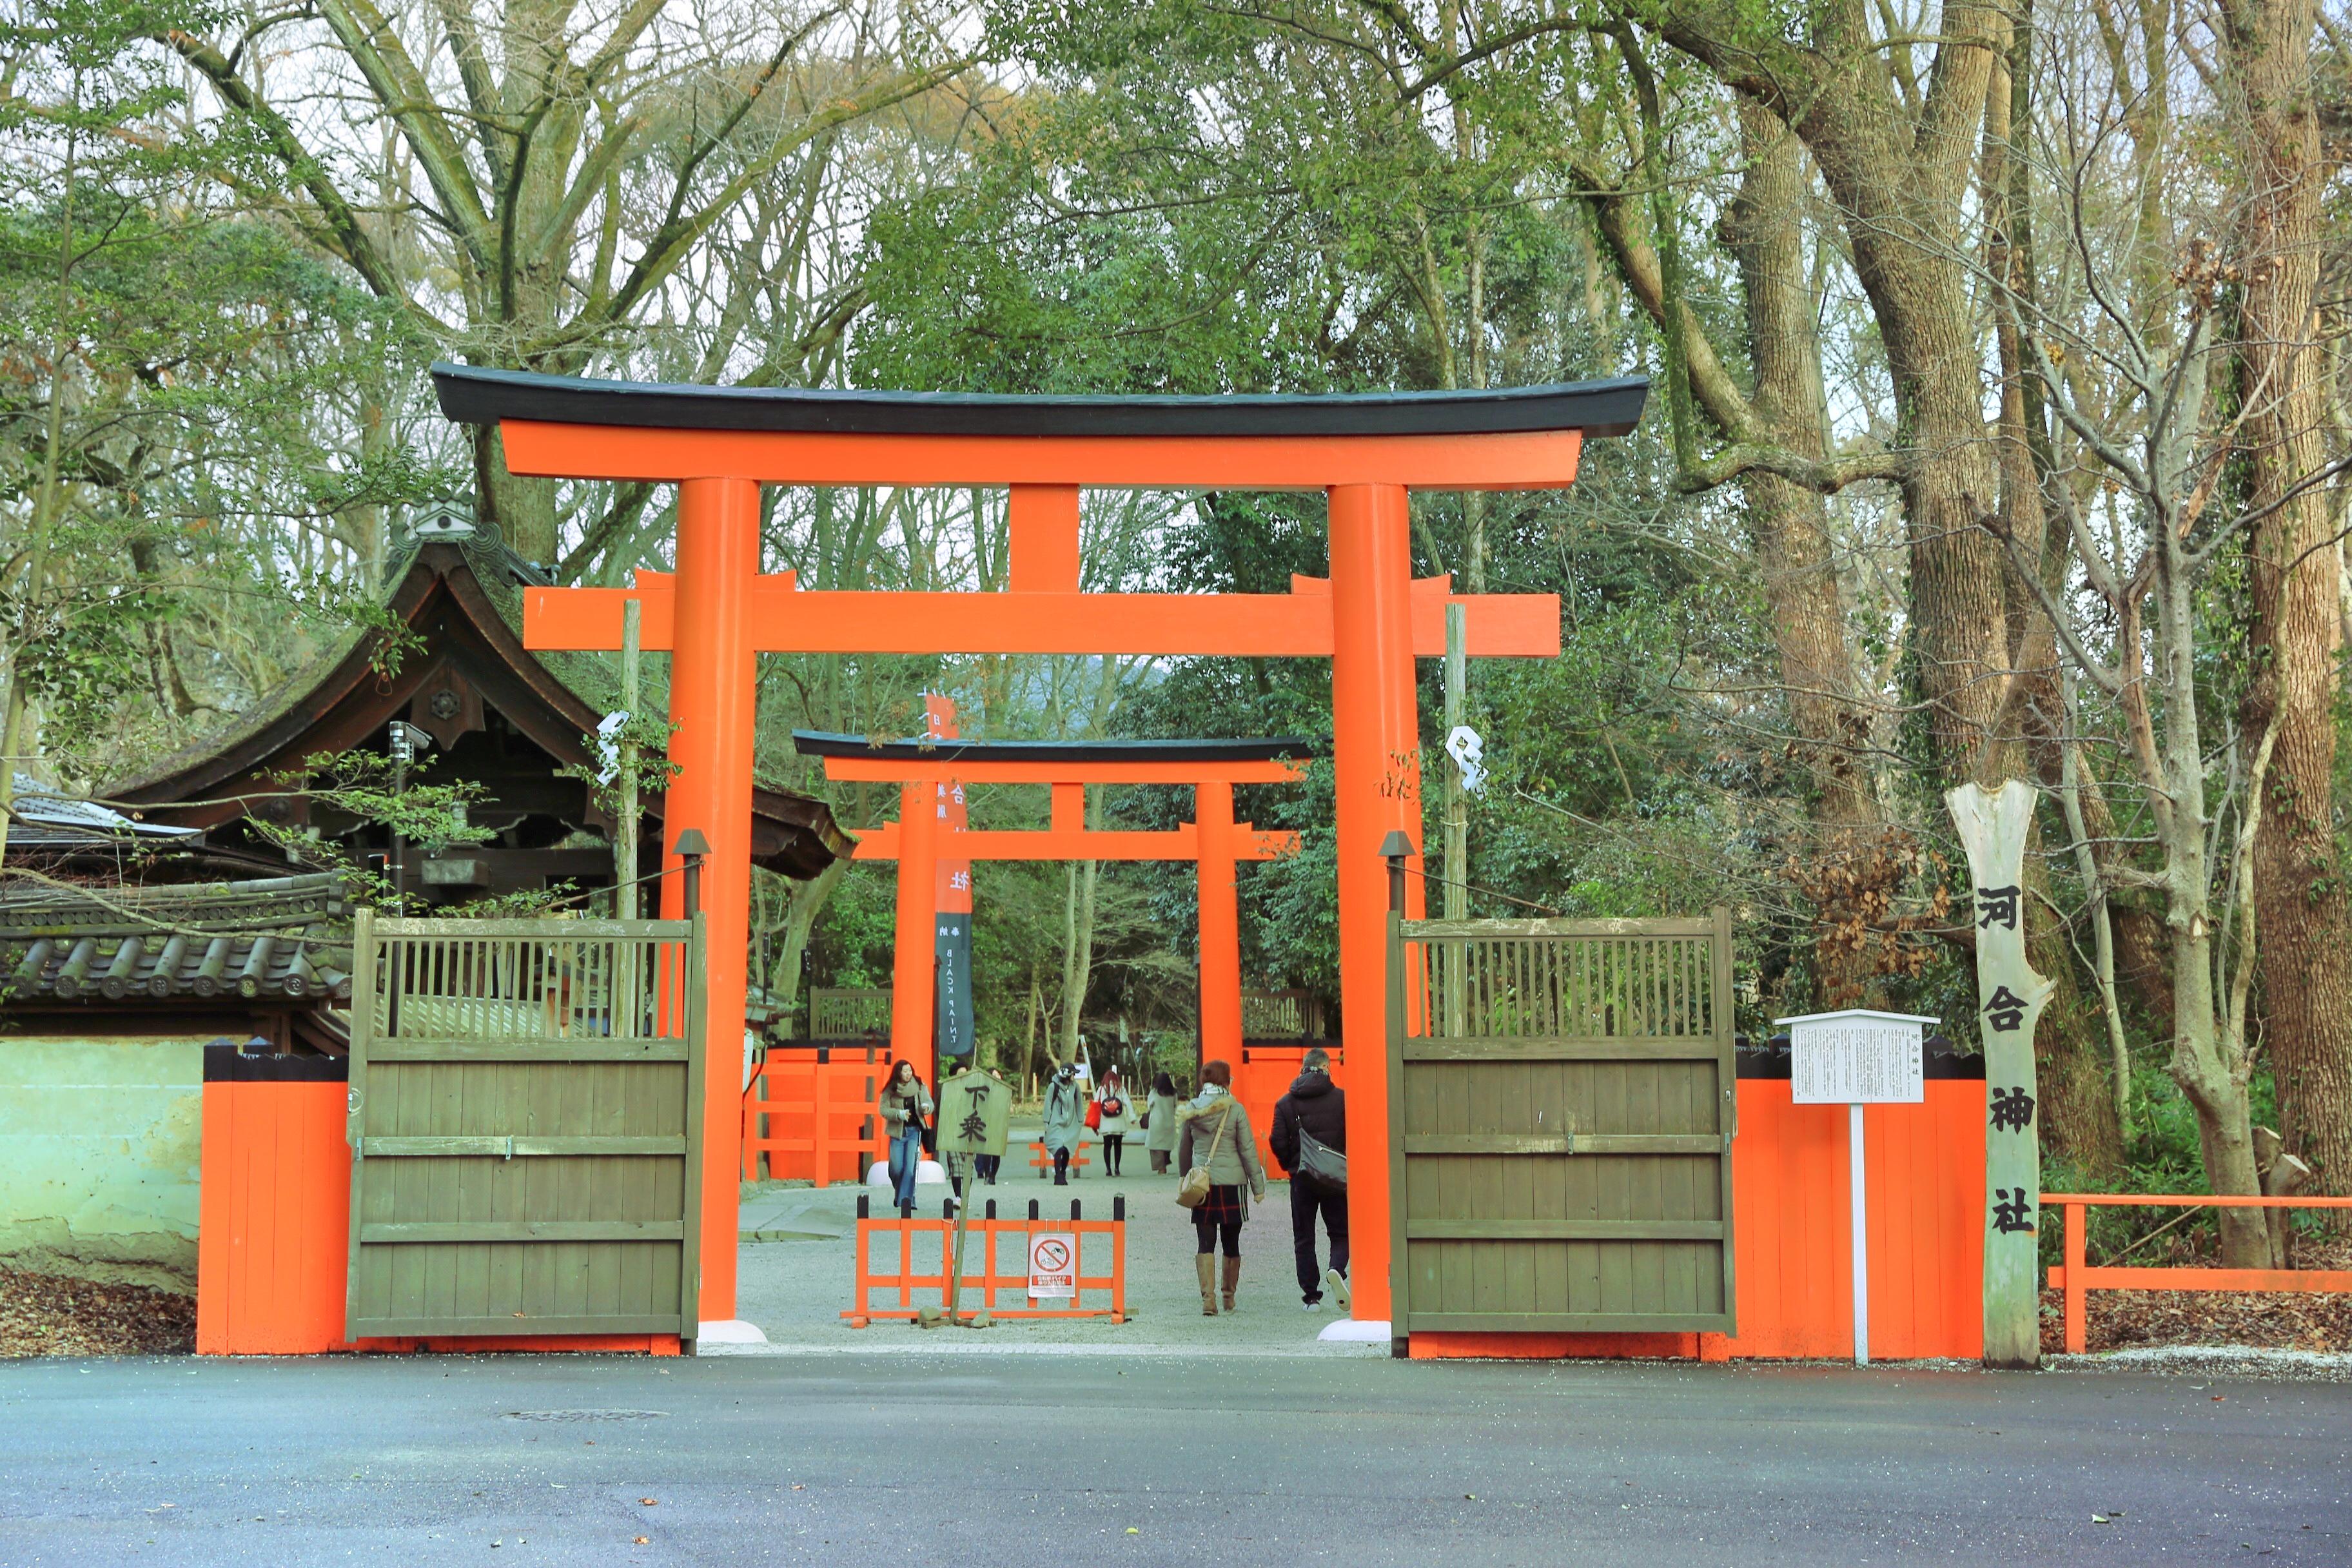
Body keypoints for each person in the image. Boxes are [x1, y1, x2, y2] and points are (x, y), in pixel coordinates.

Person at [1176, 1060, 1266, 1315]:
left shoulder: (1192, 1110)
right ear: (1226, 1081)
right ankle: (1229, 1297)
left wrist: (1184, 1178)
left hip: (1202, 1184)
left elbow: (1184, 1148)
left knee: (1205, 1242)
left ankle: (1208, 1300)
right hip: (1232, 1184)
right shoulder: (1235, 1110)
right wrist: (1257, 1187)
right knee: (1231, 1242)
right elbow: (1248, 1150)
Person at [1269, 1046, 1349, 1311]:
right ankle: (1336, 1268)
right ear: (1326, 1068)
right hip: (1336, 1177)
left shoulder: (1285, 1103)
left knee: (1304, 1236)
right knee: (1340, 1232)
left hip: (1302, 1178)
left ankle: (1311, 1296)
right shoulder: (1342, 1100)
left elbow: (1277, 1141)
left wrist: (1291, 1166)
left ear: (1303, 1068)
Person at [877, 1061, 933, 1217]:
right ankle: (900, 1194)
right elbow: (883, 1109)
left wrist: (926, 1107)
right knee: (896, 1168)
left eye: (910, 1071)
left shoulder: (919, 1085)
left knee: (910, 1168)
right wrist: (898, 1114)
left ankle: (907, 1200)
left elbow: (929, 1102)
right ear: (898, 1073)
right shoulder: (891, 1088)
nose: (908, 1074)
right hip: (898, 1132)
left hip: (914, 1131)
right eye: (905, 1071)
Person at [1041, 1061, 1085, 1185]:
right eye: (1072, 1074)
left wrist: (1080, 1120)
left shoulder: (1075, 1087)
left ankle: (1063, 1173)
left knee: (1067, 1150)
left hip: (1070, 1123)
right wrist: (1046, 1121)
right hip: (1056, 1122)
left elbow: (1079, 1104)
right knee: (1058, 1149)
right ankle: (1058, 1175)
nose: (1074, 1077)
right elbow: (1048, 1105)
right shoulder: (1053, 1087)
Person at [1093, 1067, 1133, 1176]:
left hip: (1106, 1122)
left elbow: (1096, 1105)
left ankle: (1108, 1169)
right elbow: (1128, 1103)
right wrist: (1132, 1118)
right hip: (1118, 1122)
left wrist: (1094, 1125)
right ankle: (1117, 1168)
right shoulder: (1120, 1089)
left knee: (1107, 1146)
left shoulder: (1101, 1089)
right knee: (1118, 1145)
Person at [974, 1066, 1007, 1186]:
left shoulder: (1005, 1089)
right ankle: (987, 1174)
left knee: (997, 1151)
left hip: (1000, 1122)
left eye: (998, 1074)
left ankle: (993, 1175)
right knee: (987, 1149)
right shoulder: (984, 1089)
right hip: (987, 1122)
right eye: (993, 1075)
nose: (997, 1077)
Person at [1144, 1071, 1181, 1174]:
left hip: (1157, 1123)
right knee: (1166, 1146)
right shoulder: (1173, 1094)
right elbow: (1175, 1107)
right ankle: (1164, 1166)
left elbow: (1149, 1106)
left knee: (1156, 1147)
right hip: (1169, 1123)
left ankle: (1161, 1169)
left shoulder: (1154, 1093)